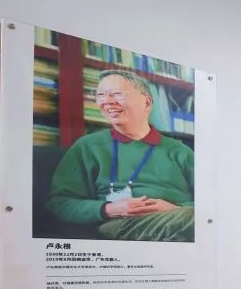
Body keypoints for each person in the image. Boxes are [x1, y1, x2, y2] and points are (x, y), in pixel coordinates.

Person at [46, 69, 195, 241]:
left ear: (146, 103)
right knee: (199, 222)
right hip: (122, 224)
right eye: (101, 95)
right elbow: (60, 204)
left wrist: (174, 209)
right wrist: (108, 209)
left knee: (201, 220)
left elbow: (212, 200)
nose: (107, 102)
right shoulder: (88, 146)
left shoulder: (180, 151)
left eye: (117, 94)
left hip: (180, 219)